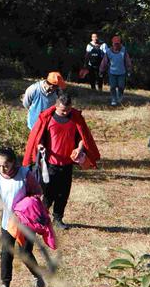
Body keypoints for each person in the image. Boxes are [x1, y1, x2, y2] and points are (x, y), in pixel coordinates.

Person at [23, 91, 101, 230]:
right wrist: (40, 145)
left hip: (67, 164)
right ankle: (42, 218)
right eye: (63, 110)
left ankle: (58, 219)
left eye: (68, 109)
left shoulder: (76, 118)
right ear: (56, 106)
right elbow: (39, 136)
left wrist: (79, 148)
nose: (66, 113)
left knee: (63, 193)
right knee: (47, 193)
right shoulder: (47, 118)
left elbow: (83, 137)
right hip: (50, 164)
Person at [0, 148, 47, 287]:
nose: (2, 169)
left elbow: (38, 193)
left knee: (25, 253)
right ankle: (5, 286)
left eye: (5, 165)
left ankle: (37, 276)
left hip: (25, 222)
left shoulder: (25, 174)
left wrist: (26, 206)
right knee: (6, 252)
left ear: (13, 163)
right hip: (7, 222)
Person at [100, 36, 132, 106]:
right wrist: (101, 70)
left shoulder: (124, 51)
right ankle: (114, 99)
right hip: (112, 72)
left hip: (122, 73)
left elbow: (127, 61)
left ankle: (119, 97)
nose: (116, 45)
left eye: (118, 43)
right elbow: (104, 62)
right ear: (112, 44)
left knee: (121, 86)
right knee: (112, 87)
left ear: (120, 43)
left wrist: (129, 70)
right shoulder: (108, 52)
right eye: (115, 44)